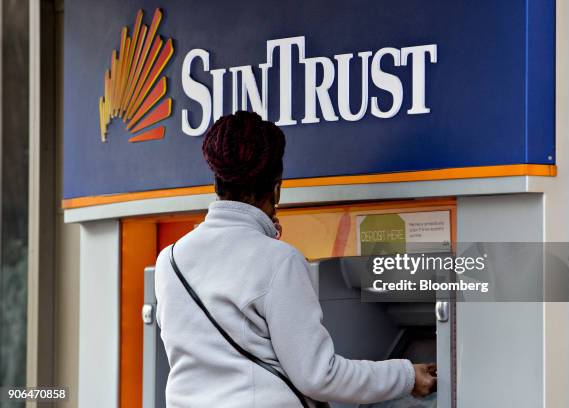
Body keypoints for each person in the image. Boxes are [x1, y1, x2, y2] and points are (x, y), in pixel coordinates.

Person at [155, 111, 436, 407]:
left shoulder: (169, 261)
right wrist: (405, 376)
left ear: (217, 183)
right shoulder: (279, 261)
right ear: (276, 187)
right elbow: (319, 376)